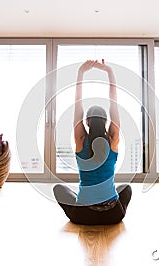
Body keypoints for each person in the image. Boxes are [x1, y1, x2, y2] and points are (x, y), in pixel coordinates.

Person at [53, 59, 132, 225]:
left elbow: (77, 104)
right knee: (126, 188)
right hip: (113, 215)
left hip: (83, 215)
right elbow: (113, 103)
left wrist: (80, 73)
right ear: (106, 122)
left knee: (58, 188)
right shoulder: (113, 140)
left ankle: (84, 200)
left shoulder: (80, 139)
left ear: (86, 122)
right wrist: (109, 71)